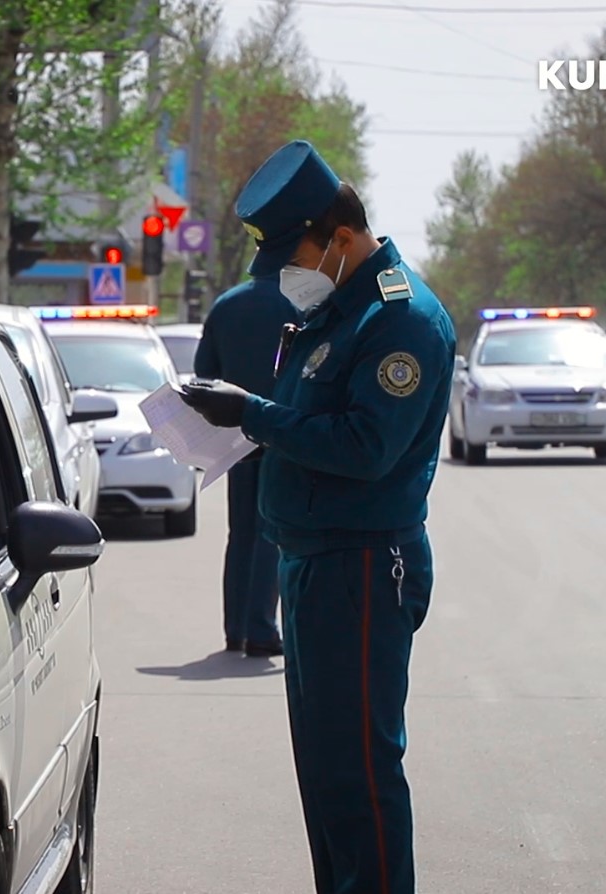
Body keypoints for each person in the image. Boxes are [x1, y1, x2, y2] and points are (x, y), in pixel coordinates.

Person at [180, 140, 456, 894]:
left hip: (361, 568)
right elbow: (307, 420)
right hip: (312, 561)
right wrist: (232, 419)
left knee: (359, 773)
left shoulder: (397, 319)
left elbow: (367, 446)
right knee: (325, 776)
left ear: (338, 237)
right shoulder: (335, 307)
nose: (285, 278)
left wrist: (254, 414)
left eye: (292, 256)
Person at [192, 219, 298, 657]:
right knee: (273, 533)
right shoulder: (303, 306)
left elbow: (204, 371)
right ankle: (260, 630)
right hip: (284, 432)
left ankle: (235, 628)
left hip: (234, 435)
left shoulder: (225, 305)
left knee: (241, 534)